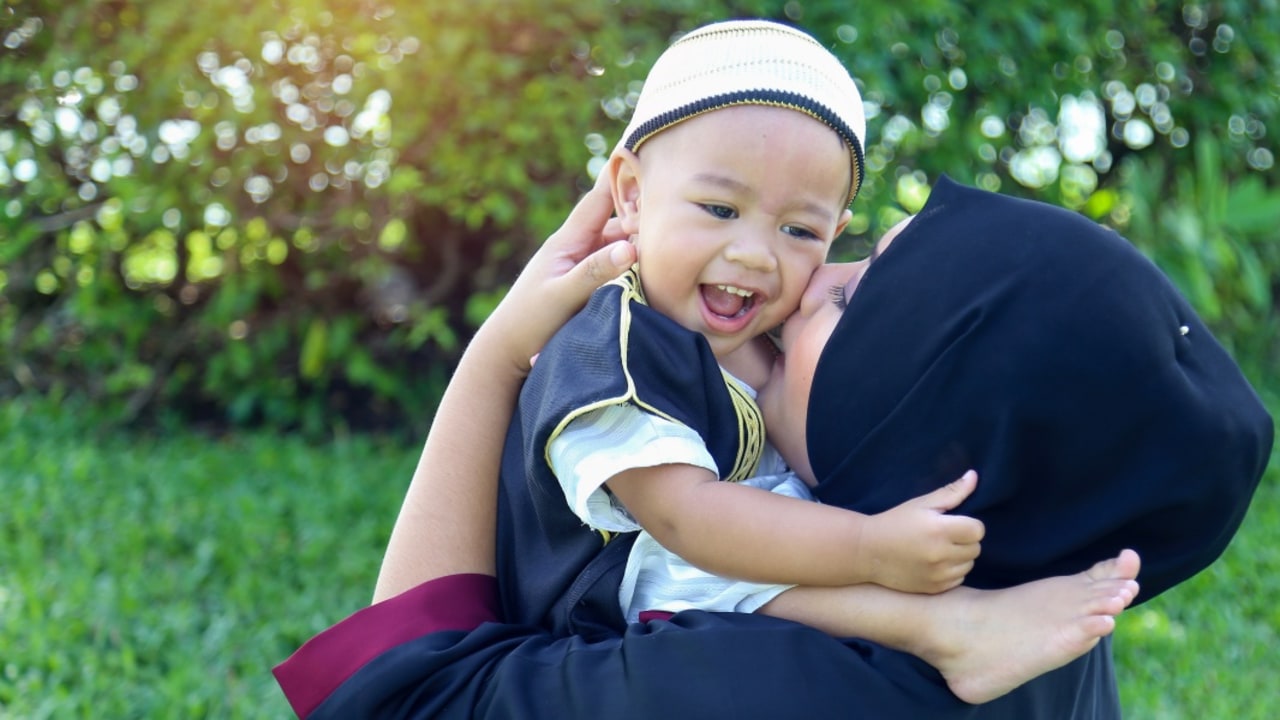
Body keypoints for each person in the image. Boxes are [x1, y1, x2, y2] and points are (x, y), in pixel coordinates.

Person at [274, 173, 1271, 719]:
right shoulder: (1036, 591)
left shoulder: (771, 675)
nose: (799, 277)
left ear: (905, 439)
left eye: (843, 296)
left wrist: (495, 359)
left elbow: (405, 703)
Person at [497, 18, 991, 647]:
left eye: (799, 232)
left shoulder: (777, 331)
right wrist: (868, 547)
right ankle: (938, 633)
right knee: (716, 565)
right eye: (721, 210)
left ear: (835, 233)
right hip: (600, 607)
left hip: (720, 577)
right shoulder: (614, 346)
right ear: (633, 194)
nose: (757, 255)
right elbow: (686, 517)